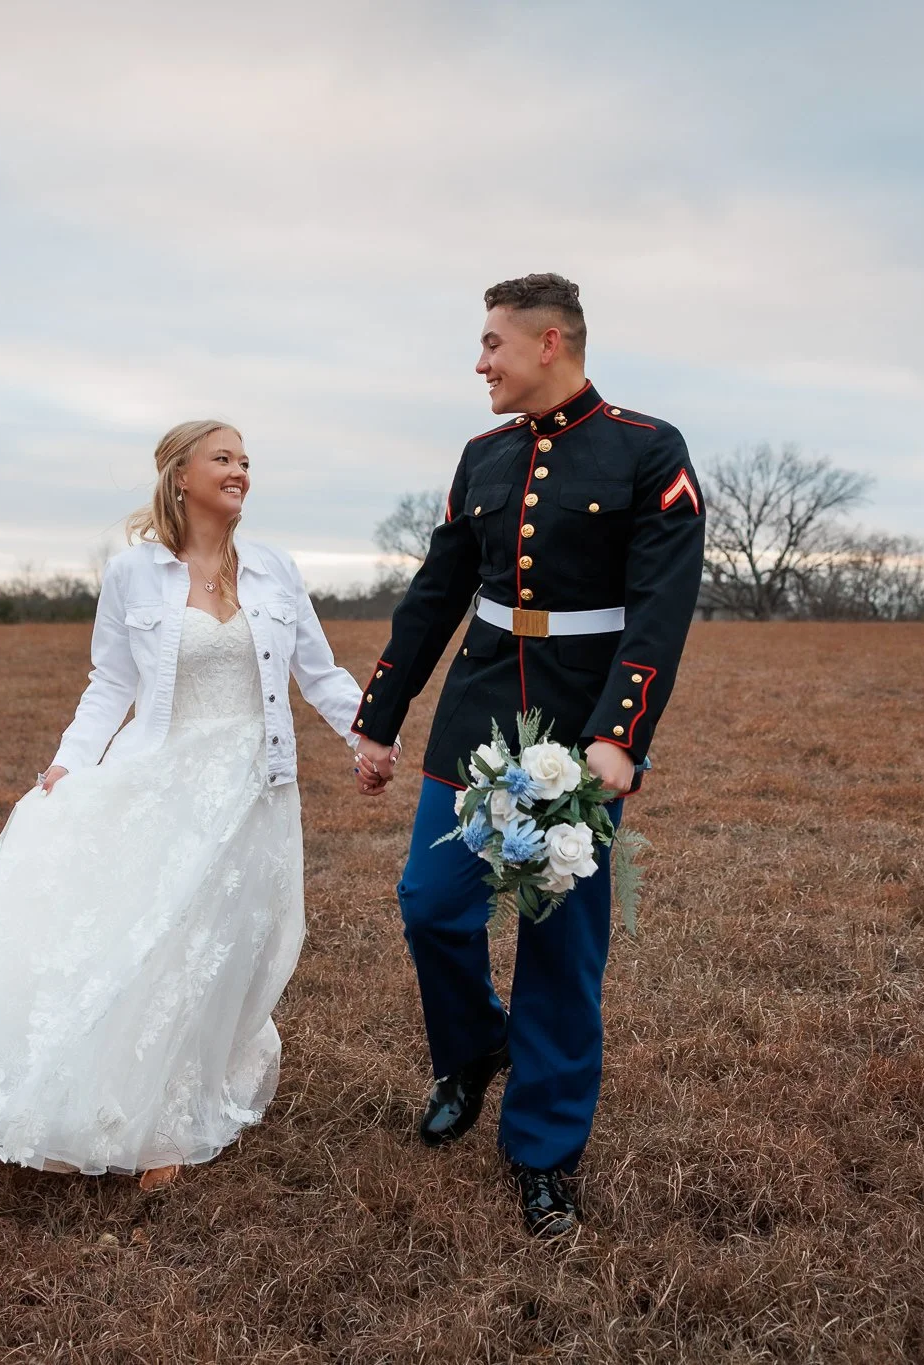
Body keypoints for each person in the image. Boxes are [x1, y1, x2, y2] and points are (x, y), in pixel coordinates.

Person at [0, 420, 366, 1191]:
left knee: (231, 938)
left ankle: (188, 1082)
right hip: (163, 780)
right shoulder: (133, 575)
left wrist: (368, 736)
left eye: (247, 461)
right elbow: (110, 683)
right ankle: (152, 1121)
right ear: (180, 475)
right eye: (223, 458)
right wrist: (68, 763)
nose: (241, 471)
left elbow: (318, 674)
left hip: (255, 785)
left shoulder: (276, 570)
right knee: (155, 937)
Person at [350, 274, 705, 1237]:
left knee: (561, 945)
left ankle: (543, 1153)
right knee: (431, 904)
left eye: (492, 344)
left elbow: (661, 610)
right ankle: (471, 1050)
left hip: (578, 726)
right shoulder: (481, 457)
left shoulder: (649, 451)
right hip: (476, 707)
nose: (480, 363)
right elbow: (438, 591)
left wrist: (619, 737)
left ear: (550, 343)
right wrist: (382, 712)